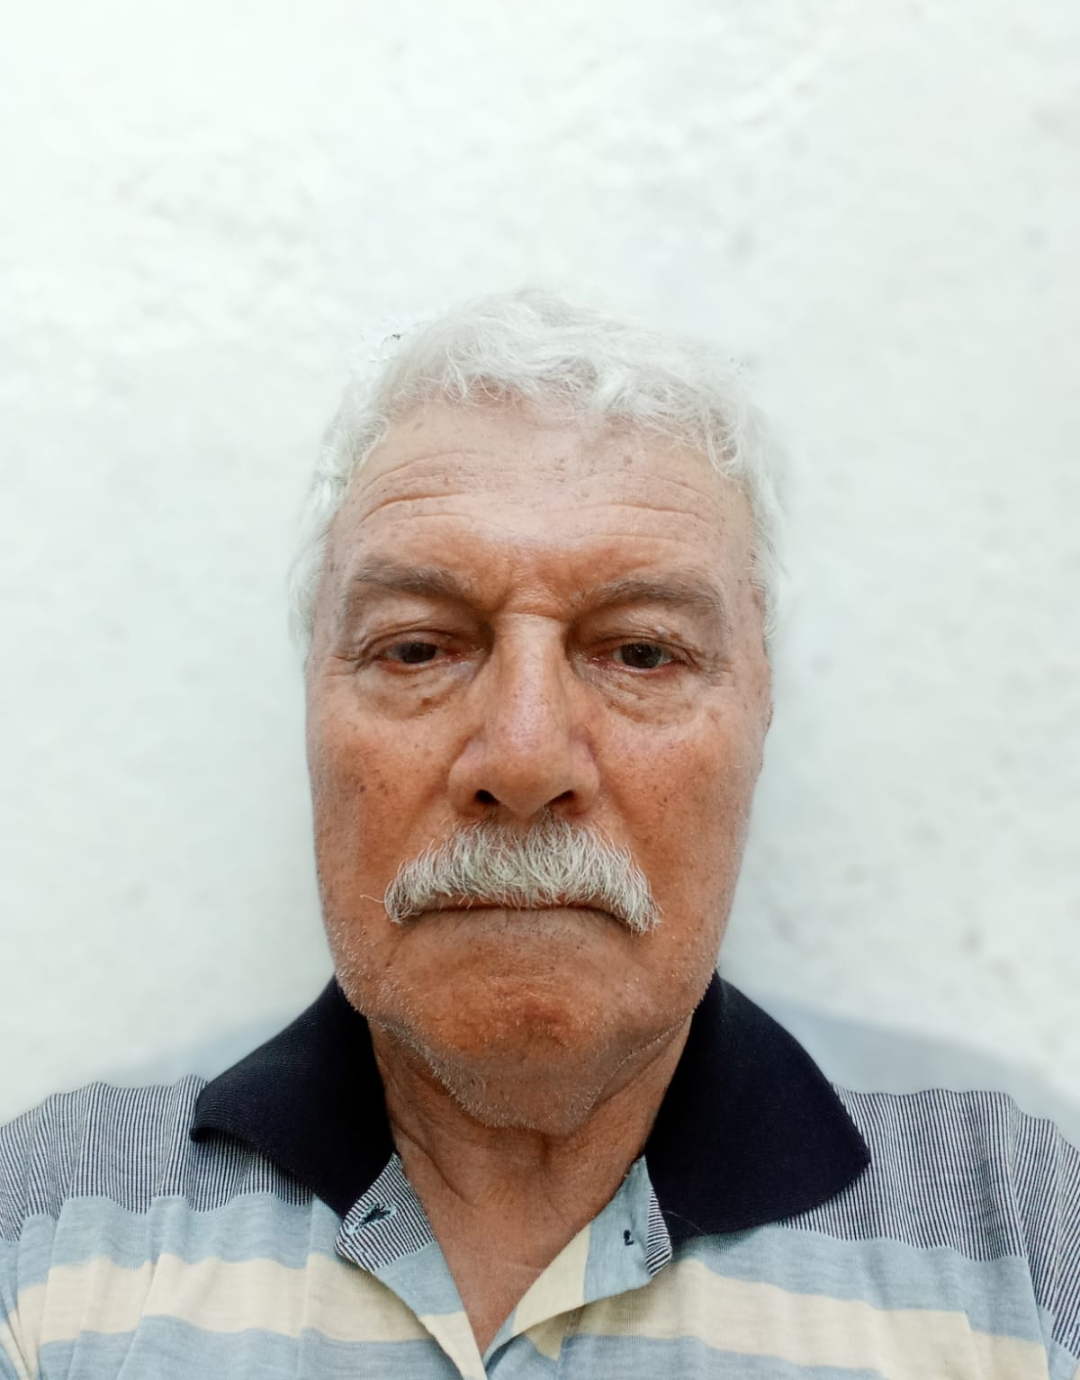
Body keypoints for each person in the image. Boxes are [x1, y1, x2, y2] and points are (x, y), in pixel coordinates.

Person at [2, 292, 1077, 1379]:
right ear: (314, 710)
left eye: (642, 653)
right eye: (417, 649)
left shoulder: (1022, 1234)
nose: (522, 760)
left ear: (760, 713)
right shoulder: (49, 1228)